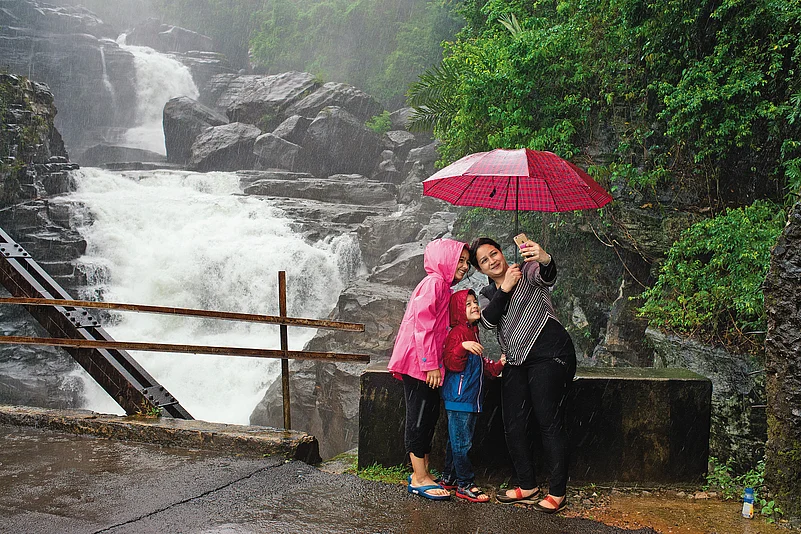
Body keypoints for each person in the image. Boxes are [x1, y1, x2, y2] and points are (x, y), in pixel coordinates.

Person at [469, 236, 576, 513]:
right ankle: (526, 484)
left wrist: (544, 258)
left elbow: (548, 275)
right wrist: (504, 288)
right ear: (480, 269)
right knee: (513, 422)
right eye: (484, 261)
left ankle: (558, 491)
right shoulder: (487, 293)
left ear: (501, 253)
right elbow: (489, 321)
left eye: (494, 254)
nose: (492, 261)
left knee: (547, 419)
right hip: (517, 360)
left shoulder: (527, 270)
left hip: (550, 352)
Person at [387, 238, 470, 501]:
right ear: (445, 260)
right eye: (460, 260)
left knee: (428, 414)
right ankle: (418, 477)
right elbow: (422, 326)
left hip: (425, 364)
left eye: (467, 262)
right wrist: (431, 364)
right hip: (419, 364)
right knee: (420, 418)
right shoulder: (434, 283)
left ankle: (422, 473)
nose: (465, 267)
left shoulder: (441, 286)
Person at [439, 289, 505, 502]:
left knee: (455, 441)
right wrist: (462, 347)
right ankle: (464, 484)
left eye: (475, 302)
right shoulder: (457, 333)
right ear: (458, 311)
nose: (475, 305)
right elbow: (451, 362)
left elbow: (479, 363)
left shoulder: (472, 331)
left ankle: (448, 478)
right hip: (459, 400)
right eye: (467, 304)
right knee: (462, 444)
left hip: (468, 399)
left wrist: (497, 366)